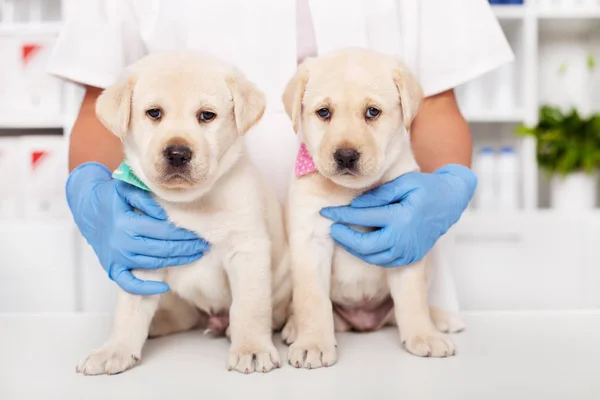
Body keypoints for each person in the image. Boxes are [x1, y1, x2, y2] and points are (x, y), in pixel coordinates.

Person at [47, 0, 513, 312]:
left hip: (379, 291)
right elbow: (101, 99)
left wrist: (446, 188)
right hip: (196, 295)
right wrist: (92, 193)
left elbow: (433, 100)